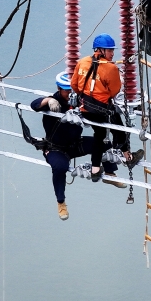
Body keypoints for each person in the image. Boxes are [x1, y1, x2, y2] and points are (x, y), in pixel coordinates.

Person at [70, 34, 142, 186]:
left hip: (85, 108)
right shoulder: (111, 68)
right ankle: (128, 157)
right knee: (118, 127)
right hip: (101, 110)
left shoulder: (82, 62)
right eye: (110, 50)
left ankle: (95, 169)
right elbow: (115, 91)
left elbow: (74, 85)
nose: (112, 53)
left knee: (100, 134)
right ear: (101, 50)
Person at [26, 72, 93, 220]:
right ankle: (61, 202)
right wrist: (48, 100)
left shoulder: (79, 101)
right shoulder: (53, 101)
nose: (70, 93)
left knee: (102, 144)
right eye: (67, 90)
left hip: (74, 145)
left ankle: (110, 172)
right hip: (55, 148)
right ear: (59, 89)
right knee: (60, 168)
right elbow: (34, 105)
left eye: (73, 90)